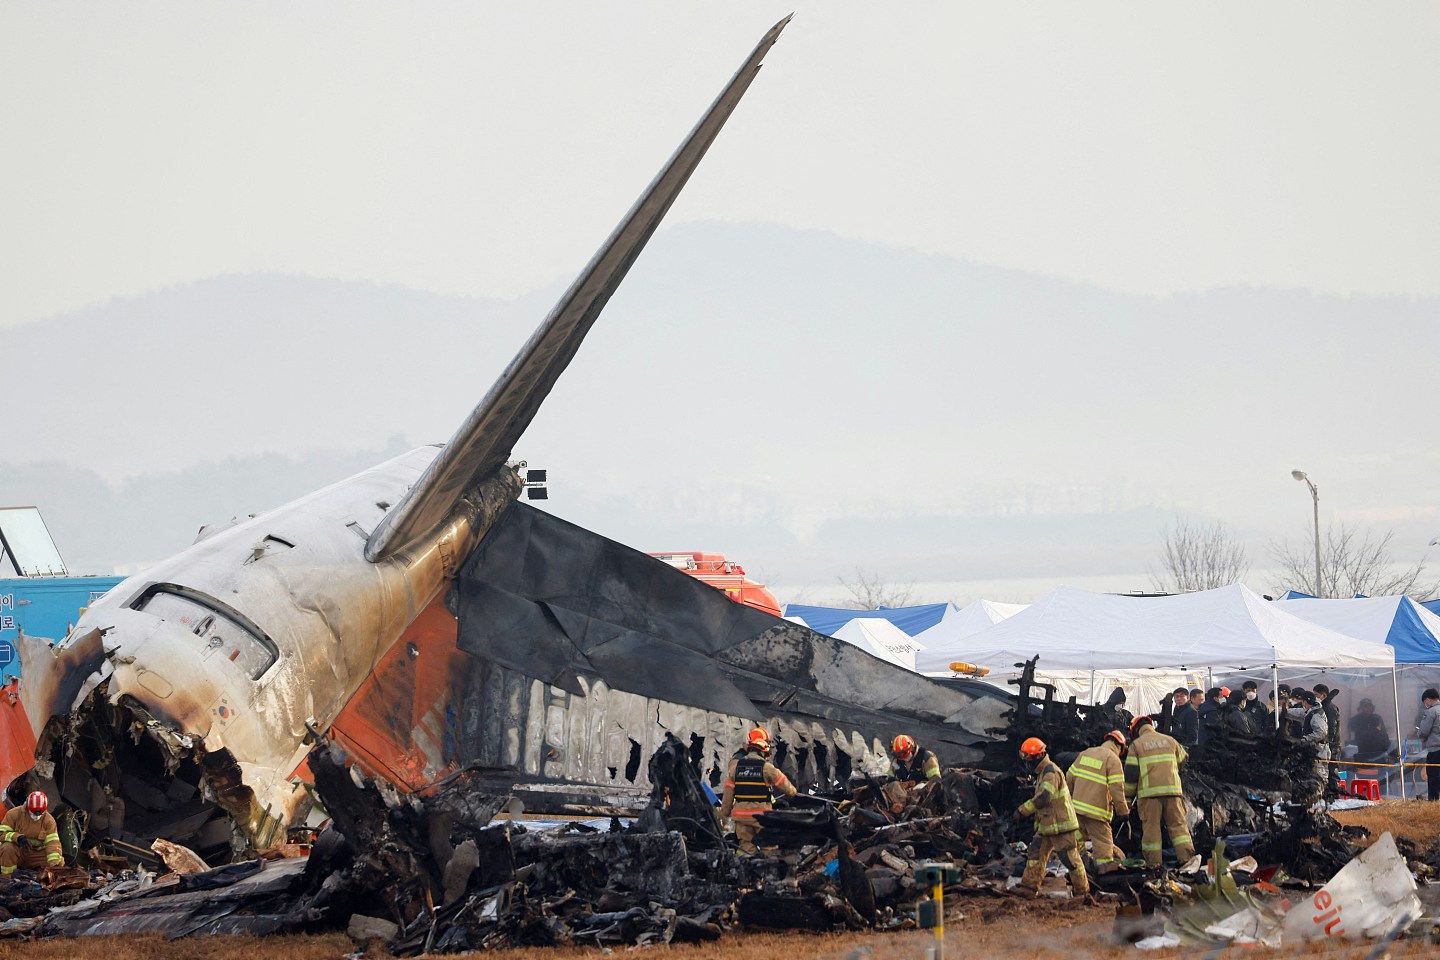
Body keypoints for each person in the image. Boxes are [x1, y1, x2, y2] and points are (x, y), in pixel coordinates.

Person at [1013, 737, 1088, 898]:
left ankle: (1082, 892)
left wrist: (1022, 811)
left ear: (1038, 756)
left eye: (1028, 757)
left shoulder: (1050, 772)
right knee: (1035, 854)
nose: (1026, 762)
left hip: (1061, 825)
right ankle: (1029, 887)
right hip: (1048, 825)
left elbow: (1044, 797)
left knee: (1069, 859)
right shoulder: (1043, 772)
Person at [1125, 715, 1194, 868]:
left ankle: (1153, 864)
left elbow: (1130, 775)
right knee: (1179, 827)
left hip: (1149, 795)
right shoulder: (1170, 741)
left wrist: (1128, 798)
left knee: (1151, 829)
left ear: (1136, 730)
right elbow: (1184, 759)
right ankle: (1188, 861)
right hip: (1173, 791)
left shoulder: (1136, 745)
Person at [719, 727, 796, 854]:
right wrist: (793, 792)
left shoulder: (735, 768)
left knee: (745, 847)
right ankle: (768, 871)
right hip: (761, 817)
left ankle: (746, 871)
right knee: (769, 846)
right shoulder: (767, 768)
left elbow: (727, 796)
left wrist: (726, 812)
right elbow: (788, 788)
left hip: (741, 816)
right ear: (764, 753)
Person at [1066, 730, 1130, 874]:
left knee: (1076, 840)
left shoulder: (1085, 753)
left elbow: (1069, 777)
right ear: (1121, 748)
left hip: (1076, 809)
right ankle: (1104, 872)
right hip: (1097, 812)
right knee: (1103, 842)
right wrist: (1123, 811)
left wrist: (1070, 800)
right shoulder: (1113, 759)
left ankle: (1078, 870)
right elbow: (1117, 789)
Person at [0, 791, 64, 878]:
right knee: (7, 848)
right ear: (27, 806)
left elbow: (53, 843)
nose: (36, 816)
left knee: (59, 860)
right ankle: (7, 879)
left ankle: (47, 877)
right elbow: (2, 834)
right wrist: (18, 838)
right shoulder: (14, 814)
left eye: (39, 813)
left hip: (35, 855)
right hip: (19, 853)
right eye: (33, 812)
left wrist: (54, 865)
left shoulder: (49, 820)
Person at [1293, 689, 1330, 795]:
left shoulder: (1316, 715)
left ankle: (1321, 797)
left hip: (1319, 751)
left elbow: (1321, 733)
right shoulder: (1312, 711)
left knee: (1319, 775)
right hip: (1317, 750)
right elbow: (1299, 713)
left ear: (1305, 702)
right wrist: (1283, 711)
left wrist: (1306, 739)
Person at [1315, 685, 1342, 795]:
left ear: (1323, 695)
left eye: (1316, 695)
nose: (1315, 697)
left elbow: (1332, 728)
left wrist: (1327, 741)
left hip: (1332, 745)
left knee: (1332, 771)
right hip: (1326, 745)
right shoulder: (1321, 707)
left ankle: (1333, 795)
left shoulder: (1329, 708)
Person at [1347, 698, 1391, 763]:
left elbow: (1383, 734)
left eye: (1369, 706)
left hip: (1379, 753)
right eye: (1365, 706)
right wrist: (1375, 730)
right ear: (1361, 708)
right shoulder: (1356, 719)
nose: (1367, 708)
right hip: (1364, 752)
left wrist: (1388, 749)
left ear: (1372, 708)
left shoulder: (1377, 718)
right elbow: (1360, 734)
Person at [1416, 689, 1440, 802]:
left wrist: (1418, 732)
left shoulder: (1431, 712)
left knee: (1433, 776)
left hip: (1435, 750)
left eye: (1425, 702)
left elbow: (1424, 731)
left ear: (1428, 699)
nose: (1426, 704)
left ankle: (1434, 800)